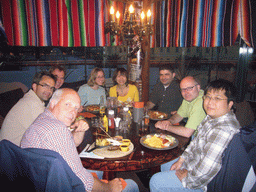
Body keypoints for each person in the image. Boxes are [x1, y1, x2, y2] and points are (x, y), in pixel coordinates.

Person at [20, 88, 139, 192]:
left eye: (76, 108)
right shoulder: (57, 130)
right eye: (68, 105)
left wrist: (79, 130)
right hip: (62, 186)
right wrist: (109, 189)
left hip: (40, 183)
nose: (73, 112)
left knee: (95, 169)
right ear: (53, 103)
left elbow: (70, 143)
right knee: (131, 185)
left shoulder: (44, 120)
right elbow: (81, 179)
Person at [150, 79, 241, 192]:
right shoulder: (211, 118)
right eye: (208, 97)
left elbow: (205, 171)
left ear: (230, 104)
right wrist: (181, 160)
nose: (210, 102)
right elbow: (195, 142)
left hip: (206, 185)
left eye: (217, 98)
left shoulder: (223, 129)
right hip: (194, 164)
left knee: (155, 181)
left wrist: (187, 178)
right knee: (165, 164)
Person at [0, 71, 56, 146]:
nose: (49, 91)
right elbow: (51, 131)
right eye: (45, 85)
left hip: (12, 150)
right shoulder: (31, 103)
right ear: (34, 86)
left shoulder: (32, 99)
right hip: (11, 154)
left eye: (51, 88)